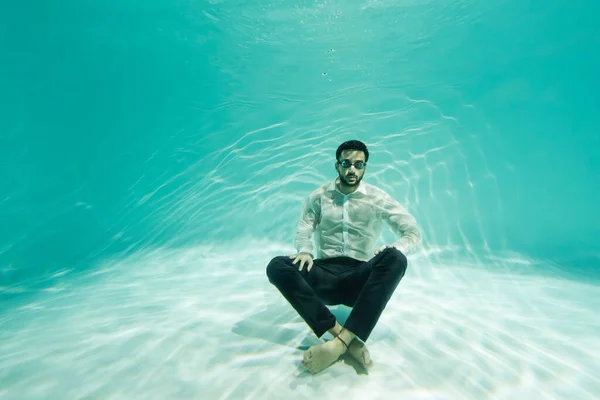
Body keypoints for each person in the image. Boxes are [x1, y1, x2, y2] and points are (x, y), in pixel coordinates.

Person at [266, 140, 422, 374]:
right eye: (346, 164)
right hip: (323, 276)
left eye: (358, 165)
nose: (352, 170)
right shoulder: (319, 196)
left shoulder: (378, 198)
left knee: (396, 258)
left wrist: (393, 247)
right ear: (337, 165)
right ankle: (347, 340)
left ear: (365, 167)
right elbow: (304, 228)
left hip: (359, 281)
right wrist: (305, 250)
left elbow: (412, 232)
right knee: (277, 266)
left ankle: (337, 345)